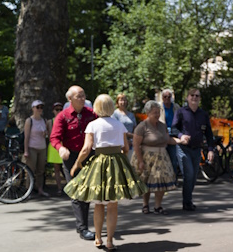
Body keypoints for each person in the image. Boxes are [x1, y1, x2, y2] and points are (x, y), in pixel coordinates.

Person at [64, 94, 147, 250]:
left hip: (99, 163)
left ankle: (98, 238)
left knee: (99, 204)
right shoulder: (119, 125)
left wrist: (77, 163)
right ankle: (109, 241)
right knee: (113, 204)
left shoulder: (93, 125)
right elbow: (126, 148)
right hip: (116, 162)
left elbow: (86, 148)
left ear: (96, 107)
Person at [50, 85, 98, 241]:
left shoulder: (91, 114)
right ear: (70, 99)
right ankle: (82, 228)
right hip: (71, 158)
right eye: (79, 96)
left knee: (87, 191)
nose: (83, 99)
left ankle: (83, 225)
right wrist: (60, 148)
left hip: (89, 156)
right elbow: (54, 138)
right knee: (77, 192)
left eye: (84, 95)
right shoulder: (63, 116)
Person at [131, 100, 180, 215]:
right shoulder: (142, 126)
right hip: (147, 157)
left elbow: (168, 139)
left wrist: (180, 141)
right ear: (148, 113)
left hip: (162, 157)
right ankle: (145, 204)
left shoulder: (162, 126)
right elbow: (136, 145)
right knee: (146, 182)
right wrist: (140, 161)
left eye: (158, 112)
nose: (157, 115)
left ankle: (158, 206)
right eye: (154, 112)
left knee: (162, 182)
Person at [172, 87, 215, 211]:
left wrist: (211, 149)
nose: (194, 98)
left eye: (197, 96)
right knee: (189, 174)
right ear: (188, 97)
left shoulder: (203, 114)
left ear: (200, 98)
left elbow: (208, 133)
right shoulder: (181, 112)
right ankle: (187, 202)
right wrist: (181, 136)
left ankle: (187, 200)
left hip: (197, 149)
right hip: (183, 148)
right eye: (192, 95)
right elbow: (174, 129)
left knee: (193, 176)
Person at [23, 100, 50, 197]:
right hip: (32, 147)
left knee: (41, 170)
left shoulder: (44, 120)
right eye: (37, 107)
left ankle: (40, 189)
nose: (39, 109)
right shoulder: (29, 120)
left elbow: (46, 134)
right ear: (33, 108)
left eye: (41, 107)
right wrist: (26, 151)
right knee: (31, 169)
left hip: (42, 147)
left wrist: (45, 134)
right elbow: (26, 137)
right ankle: (28, 191)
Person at [158, 89, 181, 175]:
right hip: (162, 135)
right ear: (162, 97)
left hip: (173, 135)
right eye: (165, 96)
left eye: (169, 96)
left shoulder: (176, 107)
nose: (167, 98)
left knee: (173, 159)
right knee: (162, 159)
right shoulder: (159, 107)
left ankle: (173, 180)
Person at [47, 102, 65, 195]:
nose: (58, 111)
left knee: (67, 168)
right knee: (56, 169)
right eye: (56, 109)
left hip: (64, 145)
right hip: (54, 147)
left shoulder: (66, 119)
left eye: (60, 109)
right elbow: (49, 134)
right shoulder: (50, 122)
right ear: (53, 111)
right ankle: (59, 188)